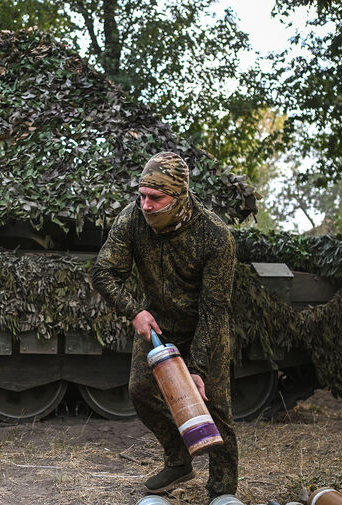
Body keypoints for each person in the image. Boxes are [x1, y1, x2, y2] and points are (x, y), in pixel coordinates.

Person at [91, 152, 238, 500]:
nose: (146, 205)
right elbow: (103, 271)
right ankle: (178, 459)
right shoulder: (133, 220)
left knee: (215, 407)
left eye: (155, 198)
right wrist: (134, 312)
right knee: (140, 391)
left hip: (205, 326)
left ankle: (222, 492)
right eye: (142, 195)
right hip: (156, 324)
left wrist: (197, 368)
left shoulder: (216, 236)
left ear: (179, 197)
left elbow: (214, 309)